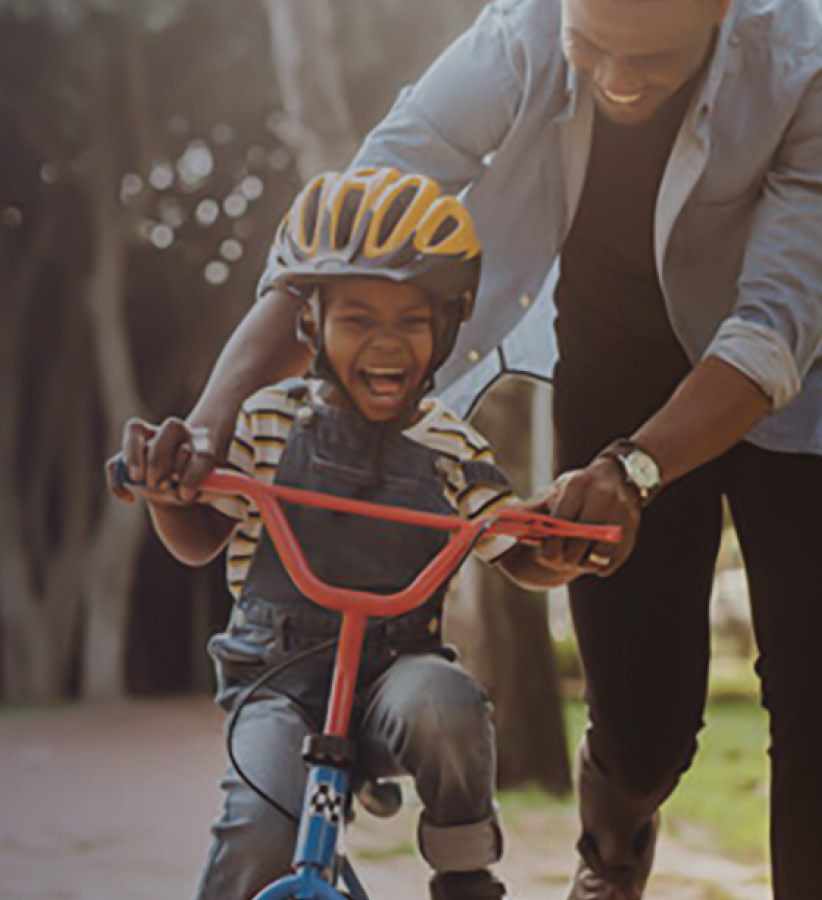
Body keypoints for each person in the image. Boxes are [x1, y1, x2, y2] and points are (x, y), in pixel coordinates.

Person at [127, 1, 822, 897]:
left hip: (804, 375)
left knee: (820, 689)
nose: (618, 82)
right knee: (646, 730)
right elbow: (354, 223)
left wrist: (636, 470)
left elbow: (771, 333)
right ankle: (613, 846)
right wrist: (212, 419)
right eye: (593, 49)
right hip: (621, 369)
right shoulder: (521, 36)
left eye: (650, 61)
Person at [116, 167, 576, 900]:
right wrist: (169, 493)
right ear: (311, 325)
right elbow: (200, 536)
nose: (387, 346)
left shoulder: (452, 443)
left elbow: (509, 542)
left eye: (412, 321)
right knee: (261, 827)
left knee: (449, 704)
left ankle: (466, 873)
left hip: (397, 676)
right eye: (358, 319)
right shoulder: (268, 419)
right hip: (277, 680)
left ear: (448, 324)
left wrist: (556, 550)